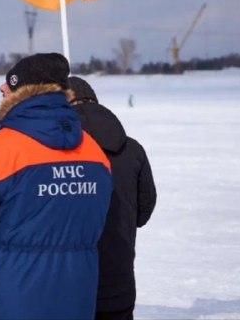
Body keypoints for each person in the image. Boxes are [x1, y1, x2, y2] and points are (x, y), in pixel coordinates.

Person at [0, 53, 113, 320]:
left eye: (8, 84)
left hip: (2, 304)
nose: (0, 88)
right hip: (76, 300)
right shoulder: (94, 153)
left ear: (22, 93)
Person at [67, 77, 157, 320]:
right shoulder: (133, 149)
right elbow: (144, 210)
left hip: (68, 283)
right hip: (119, 281)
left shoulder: (53, 151)